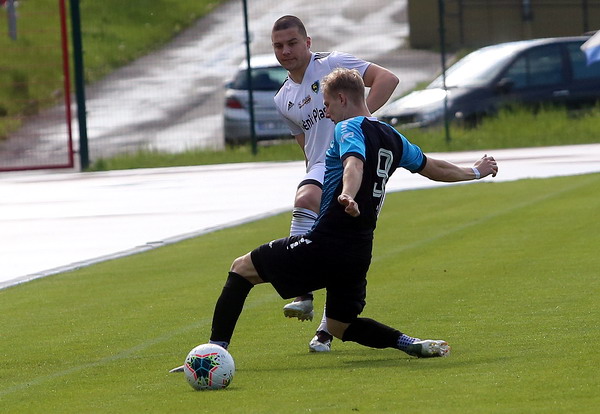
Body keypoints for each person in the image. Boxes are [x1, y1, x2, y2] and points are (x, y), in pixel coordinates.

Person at [171, 68, 498, 373]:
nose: (326, 112)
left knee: (242, 268)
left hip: (328, 240)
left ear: (342, 99)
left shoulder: (347, 127)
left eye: (327, 104)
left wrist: (348, 195)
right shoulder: (393, 136)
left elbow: (354, 163)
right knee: (340, 325)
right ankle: (410, 343)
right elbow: (433, 167)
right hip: (359, 250)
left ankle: (213, 353)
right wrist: (475, 171)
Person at [271, 15, 400, 352]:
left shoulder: (333, 64)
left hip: (357, 165)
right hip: (323, 167)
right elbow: (306, 143)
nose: (286, 51)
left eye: (292, 43)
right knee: (305, 200)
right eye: (279, 46)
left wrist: (360, 118)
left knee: (343, 251)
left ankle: (325, 331)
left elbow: (387, 78)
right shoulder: (282, 99)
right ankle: (302, 292)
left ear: (307, 42)